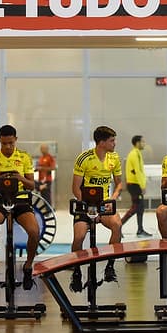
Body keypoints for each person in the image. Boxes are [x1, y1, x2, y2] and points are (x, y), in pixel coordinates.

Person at [0, 125, 39, 290]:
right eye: (4, 143)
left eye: (11, 143)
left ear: (15, 140)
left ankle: (28, 266)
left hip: (20, 200)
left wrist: (19, 177)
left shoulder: (24, 157)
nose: (7, 147)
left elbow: (31, 186)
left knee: (34, 231)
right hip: (0, 201)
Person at [70, 125, 123, 292]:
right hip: (85, 204)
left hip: (103, 205)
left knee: (117, 226)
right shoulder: (84, 158)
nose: (115, 143)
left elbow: (120, 183)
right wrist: (85, 206)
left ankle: (109, 267)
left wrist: (111, 199)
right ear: (101, 143)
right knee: (78, 237)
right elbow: (75, 188)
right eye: (111, 141)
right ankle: (76, 271)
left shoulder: (114, 158)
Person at [120, 135, 151, 237]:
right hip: (135, 185)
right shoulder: (134, 154)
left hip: (136, 184)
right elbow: (137, 171)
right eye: (142, 142)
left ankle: (140, 230)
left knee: (140, 207)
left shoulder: (137, 154)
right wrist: (142, 186)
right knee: (136, 207)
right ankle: (118, 225)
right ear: (137, 143)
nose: (144, 144)